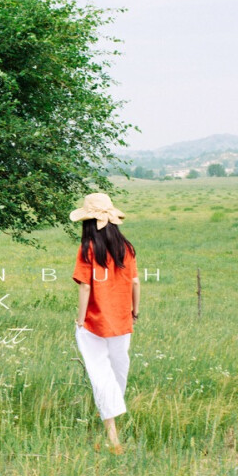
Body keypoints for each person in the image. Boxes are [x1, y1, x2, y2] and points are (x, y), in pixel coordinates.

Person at [70, 193, 140, 455]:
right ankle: (111, 427)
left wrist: (80, 319)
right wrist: (135, 311)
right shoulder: (127, 247)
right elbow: (134, 282)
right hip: (122, 319)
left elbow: (85, 286)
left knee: (101, 374)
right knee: (118, 369)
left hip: (93, 323)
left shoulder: (87, 249)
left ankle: (112, 436)